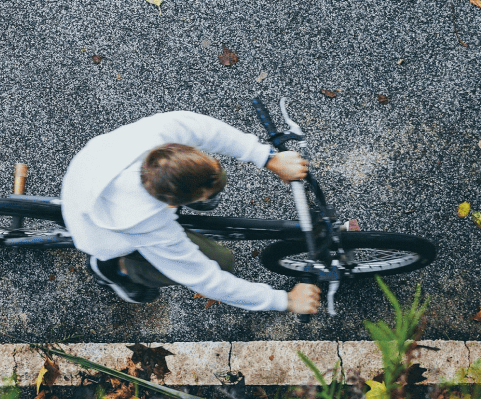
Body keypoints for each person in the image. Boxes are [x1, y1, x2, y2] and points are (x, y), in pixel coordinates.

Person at [62, 110, 322, 314]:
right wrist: (284, 300)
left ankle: (198, 187)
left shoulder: (162, 135)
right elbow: (204, 279)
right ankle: (116, 270)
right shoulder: (147, 224)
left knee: (216, 176)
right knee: (221, 261)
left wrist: (268, 158)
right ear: (170, 206)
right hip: (103, 234)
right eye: (203, 195)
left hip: (89, 169)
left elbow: (205, 129)